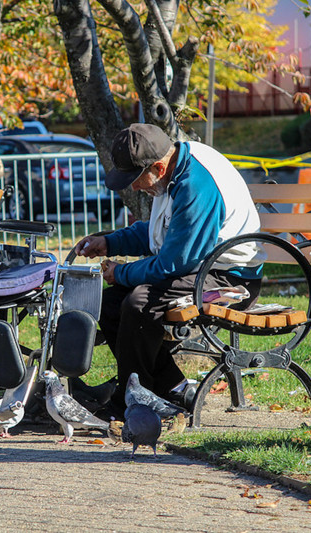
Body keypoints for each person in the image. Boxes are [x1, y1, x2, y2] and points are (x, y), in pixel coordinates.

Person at [75, 123, 265, 415]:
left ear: (158, 169)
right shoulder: (174, 170)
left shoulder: (196, 186)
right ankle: (170, 388)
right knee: (108, 303)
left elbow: (175, 262)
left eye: (136, 179)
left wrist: (121, 273)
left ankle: (134, 401)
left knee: (139, 303)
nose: (134, 187)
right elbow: (160, 235)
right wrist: (109, 242)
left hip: (229, 277)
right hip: (201, 266)